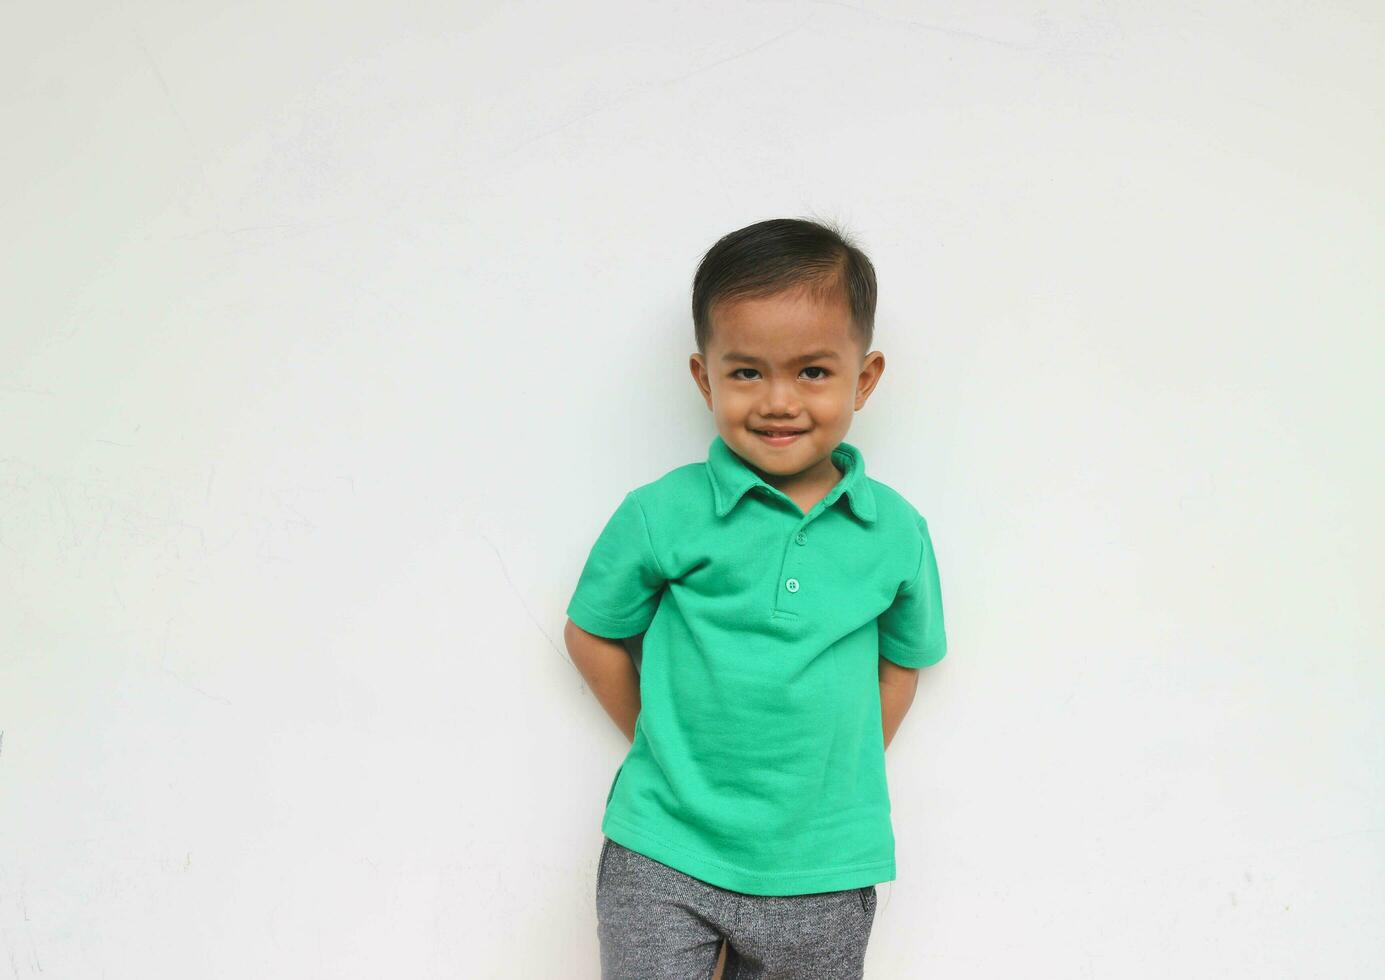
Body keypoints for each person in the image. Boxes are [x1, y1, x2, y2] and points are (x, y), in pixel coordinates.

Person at [564, 216, 948, 979]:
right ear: (704, 377)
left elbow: (904, 660)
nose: (778, 401)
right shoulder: (661, 512)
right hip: (662, 847)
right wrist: (654, 736)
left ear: (863, 378)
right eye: (745, 373)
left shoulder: (895, 532)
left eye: (811, 371)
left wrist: (850, 763)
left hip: (823, 865)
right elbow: (592, 632)